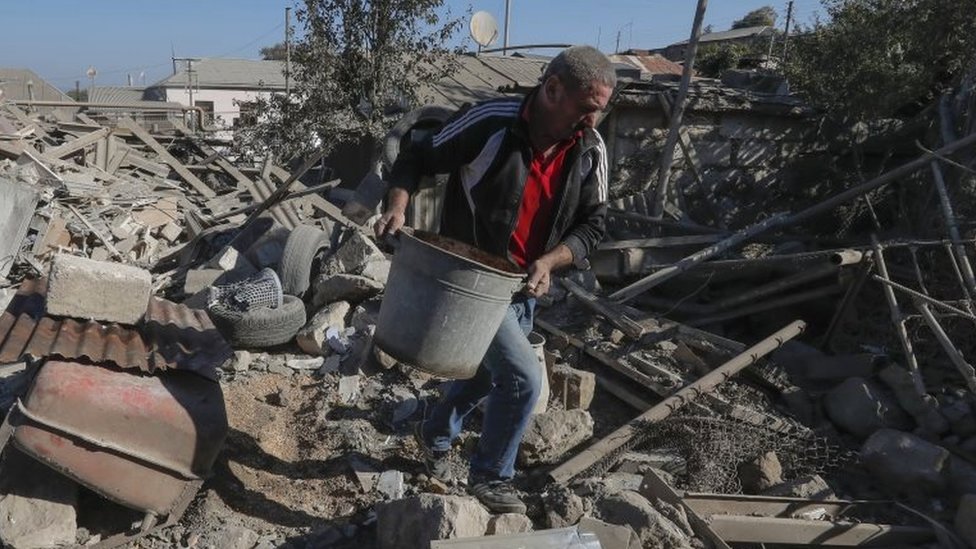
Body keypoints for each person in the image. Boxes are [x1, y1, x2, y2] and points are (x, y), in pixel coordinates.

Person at [374, 45, 615, 514]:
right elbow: (418, 156)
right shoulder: (492, 121)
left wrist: (551, 261)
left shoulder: (590, 150)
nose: (593, 120)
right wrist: (398, 204)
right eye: (587, 108)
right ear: (551, 90)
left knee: (485, 374)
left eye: (601, 110)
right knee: (523, 379)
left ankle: (434, 435)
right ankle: (491, 477)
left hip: (523, 285)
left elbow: (595, 226)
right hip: (470, 279)